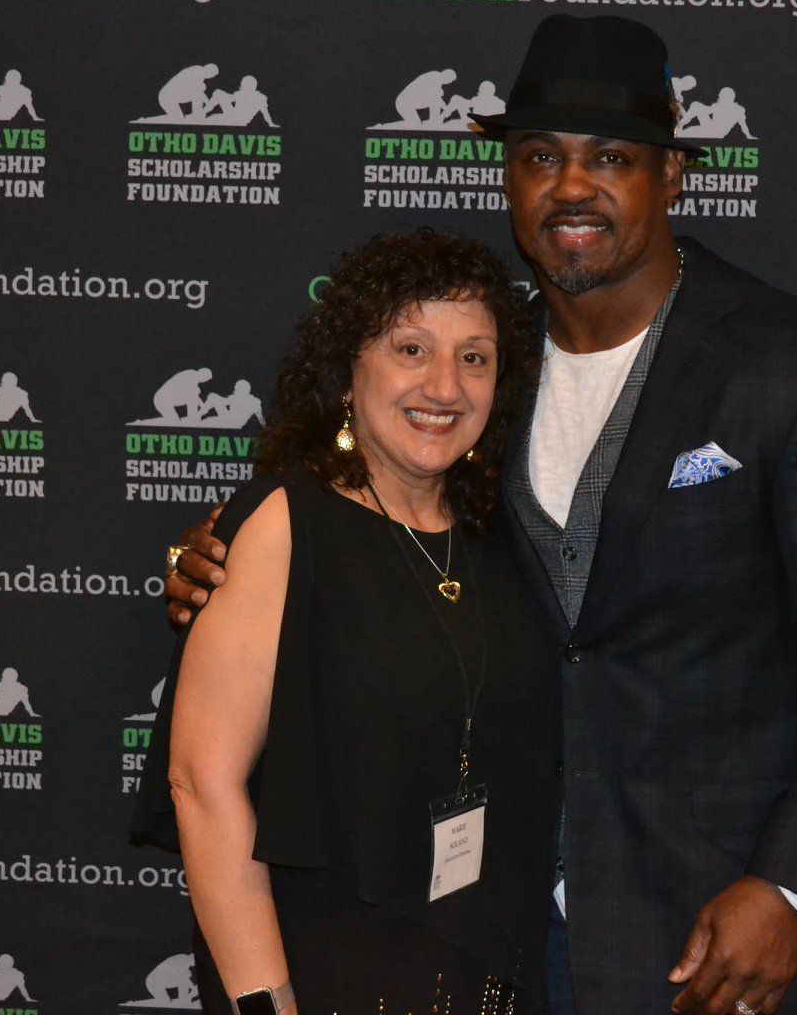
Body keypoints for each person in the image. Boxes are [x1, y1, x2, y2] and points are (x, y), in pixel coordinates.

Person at [167, 15, 797, 1015]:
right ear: (510, 179)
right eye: (540, 157)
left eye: (611, 157)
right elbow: (374, 518)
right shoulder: (484, 370)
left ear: (671, 175)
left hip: (721, 930)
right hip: (502, 932)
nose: (572, 186)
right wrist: (229, 551)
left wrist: (787, 883)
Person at [134, 231, 553, 1014]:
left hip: (483, 973)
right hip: (324, 974)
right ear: (349, 370)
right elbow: (202, 782)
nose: (445, 386)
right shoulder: (284, 523)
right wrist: (267, 1002)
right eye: (410, 349)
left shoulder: (501, 536)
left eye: (474, 358)